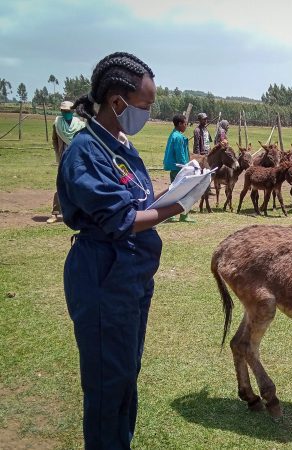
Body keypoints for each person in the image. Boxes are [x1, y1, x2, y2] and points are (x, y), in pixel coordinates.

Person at [57, 52, 207, 450]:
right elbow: (121, 219)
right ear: (117, 101)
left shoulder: (119, 146)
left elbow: (139, 205)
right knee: (108, 382)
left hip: (131, 278)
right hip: (103, 275)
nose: (149, 112)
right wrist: (180, 204)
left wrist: (180, 187)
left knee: (125, 374)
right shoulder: (86, 152)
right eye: (146, 106)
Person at [48, 100, 85, 223]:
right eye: (64, 111)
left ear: (73, 111)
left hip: (78, 159)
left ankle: (80, 213)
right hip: (64, 158)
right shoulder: (57, 123)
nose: (66, 113)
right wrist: (58, 155)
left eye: (68, 111)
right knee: (61, 185)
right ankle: (55, 213)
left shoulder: (80, 125)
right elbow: (54, 140)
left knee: (80, 184)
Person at [163, 113, 195, 223]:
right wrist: (186, 167)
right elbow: (180, 154)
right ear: (180, 123)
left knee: (173, 190)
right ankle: (184, 215)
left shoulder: (173, 135)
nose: (186, 126)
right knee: (184, 191)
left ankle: (170, 215)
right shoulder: (179, 137)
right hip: (179, 168)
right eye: (185, 124)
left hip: (174, 167)